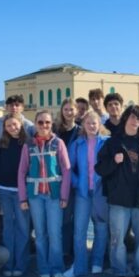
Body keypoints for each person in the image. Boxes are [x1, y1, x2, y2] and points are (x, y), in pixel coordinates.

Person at [96, 105, 139, 277]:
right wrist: (113, 162)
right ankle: (119, 272)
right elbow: (99, 168)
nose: (135, 121)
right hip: (118, 200)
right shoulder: (112, 143)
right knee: (117, 239)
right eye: (132, 117)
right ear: (126, 118)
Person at [18, 111, 71, 277]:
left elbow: (66, 170)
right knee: (40, 234)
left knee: (55, 234)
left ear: (51, 124)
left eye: (47, 122)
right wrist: (23, 198)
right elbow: (22, 172)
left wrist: (64, 195)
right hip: (35, 196)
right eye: (40, 122)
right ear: (35, 124)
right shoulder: (28, 145)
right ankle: (44, 269)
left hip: (54, 195)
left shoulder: (58, 143)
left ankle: (57, 268)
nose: (44, 125)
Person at [65, 110, 109, 277]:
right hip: (83, 193)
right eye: (88, 123)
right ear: (83, 125)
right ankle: (79, 266)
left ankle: (97, 262)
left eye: (94, 123)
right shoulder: (77, 144)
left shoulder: (107, 142)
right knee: (80, 230)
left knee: (101, 227)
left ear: (99, 124)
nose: (91, 126)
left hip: (101, 192)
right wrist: (77, 183)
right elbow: (68, 168)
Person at [0, 114, 29, 276]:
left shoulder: (28, 144)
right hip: (4, 191)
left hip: (22, 192)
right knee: (7, 228)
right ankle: (8, 264)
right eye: (9, 126)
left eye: (15, 124)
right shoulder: (1, 145)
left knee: (23, 228)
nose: (13, 128)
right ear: (4, 128)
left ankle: (20, 264)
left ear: (21, 124)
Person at [54, 97, 80, 259]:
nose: (69, 112)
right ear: (62, 111)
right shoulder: (55, 130)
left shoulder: (81, 131)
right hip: (57, 178)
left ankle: (71, 250)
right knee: (62, 217)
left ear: (76, 111)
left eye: (71, 109)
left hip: (75, 178)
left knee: (74, 217)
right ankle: (63, 250)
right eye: (66, 109)